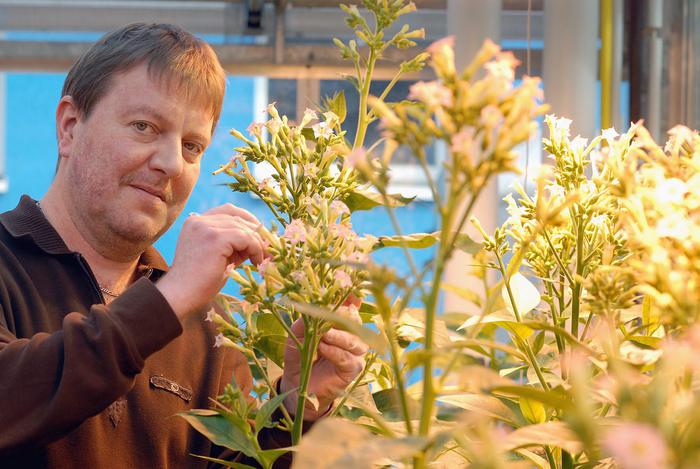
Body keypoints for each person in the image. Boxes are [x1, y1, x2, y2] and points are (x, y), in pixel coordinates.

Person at [0, 22, 367, 468]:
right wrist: (169, 299)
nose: (172, 163)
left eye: (192, 146)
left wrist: (299, 405)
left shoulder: (212, 324)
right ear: (71, 127)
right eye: (144, 126)